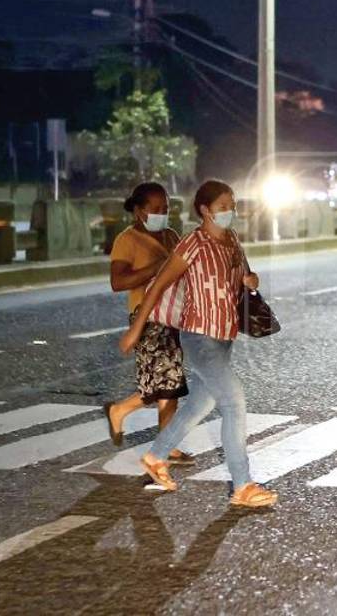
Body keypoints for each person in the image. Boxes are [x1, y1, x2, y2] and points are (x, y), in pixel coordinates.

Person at [118, 179, 278, 509]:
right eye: (223, 207)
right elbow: (158, 285)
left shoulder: (232, 239)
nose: (230, 212)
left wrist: (250, 281)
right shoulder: (192, 244)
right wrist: (135, 329)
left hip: (224, 337)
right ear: (205, 210)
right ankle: (242, 484)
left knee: (200, 405)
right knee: (234, 402)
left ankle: (155, 456)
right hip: (198, 337)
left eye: (232, 206)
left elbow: (245, 277)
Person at [100, 183, 193, 464]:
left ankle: (166, 443)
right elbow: (118, 282)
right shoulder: (127, 240)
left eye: (165, 209)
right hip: (147, 318)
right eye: (155, 210)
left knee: (169, 383)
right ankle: (119, 410)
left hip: (173, 315)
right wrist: (156, 268)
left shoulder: (171, 235)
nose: (161, 214)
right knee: (166, 383)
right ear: (139, 211)